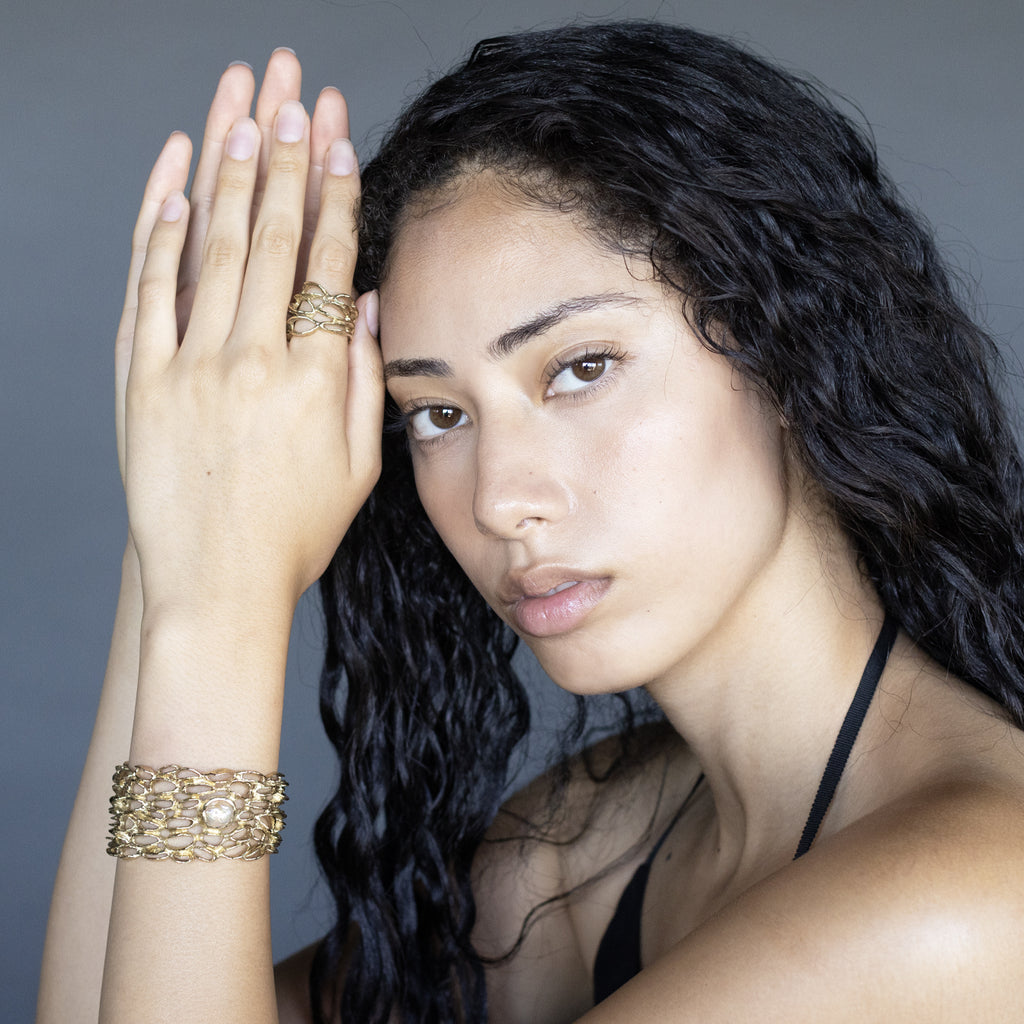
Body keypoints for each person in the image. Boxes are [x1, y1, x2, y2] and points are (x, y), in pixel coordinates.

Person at [37, 21, 1024, 1024]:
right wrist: (184, 508)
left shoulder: (966, 899)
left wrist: (223, 605)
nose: (499, 497)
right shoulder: (586, 842)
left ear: (789, 354)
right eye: (439, 414)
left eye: (579, 368)